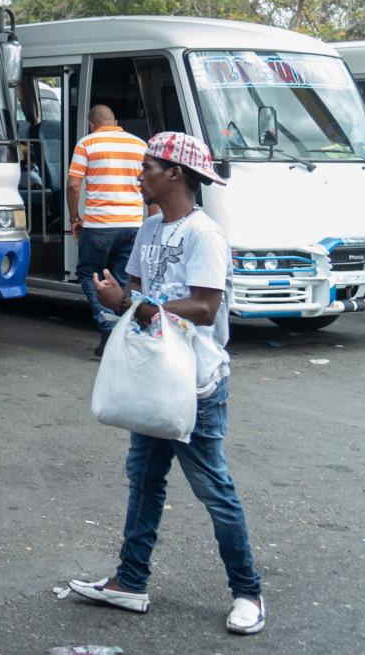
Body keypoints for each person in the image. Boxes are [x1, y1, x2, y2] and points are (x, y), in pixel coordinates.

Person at [70, 131, 264, 637]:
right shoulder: (151, 228)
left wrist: (142, 305)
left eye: (148, 167)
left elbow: (205, 306)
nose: (140, 176)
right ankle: (130, 581)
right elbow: (137, 293)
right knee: (144, 480)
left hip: (196, 383)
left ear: (175, 173)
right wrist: (117, 298)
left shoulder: (204, 235)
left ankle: (248, 592)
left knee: (213, 489)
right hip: (156, 380)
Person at [68, 104, 149, 357]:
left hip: (100, 224)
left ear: (92, 124)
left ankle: (108, 324)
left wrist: (74, 218)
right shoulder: (139, 144)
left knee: (88, 272)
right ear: (115, 122)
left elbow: (73, 186)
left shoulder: (87, 143)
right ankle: (121, 333)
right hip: (133, 223)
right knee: (122, 278)